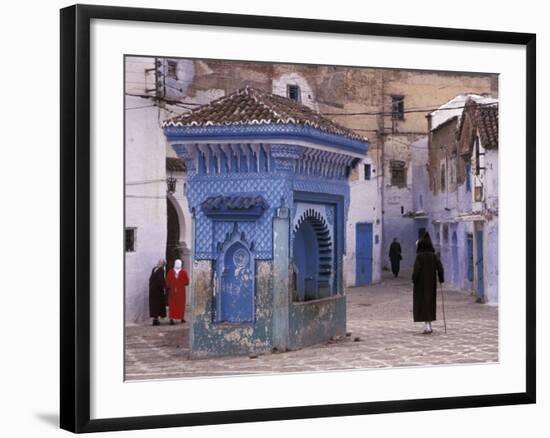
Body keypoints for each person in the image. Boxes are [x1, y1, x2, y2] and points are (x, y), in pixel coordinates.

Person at [412, 232, 444, 334]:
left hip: (421, 285)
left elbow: (416, 270)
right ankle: (428, 324)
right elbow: (440, 267)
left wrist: (414, 279)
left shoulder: (419, 257)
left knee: (422, 303)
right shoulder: (433, 256)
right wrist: (441, 279)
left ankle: (427, 325)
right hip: (431, 284)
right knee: (430, 302)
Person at [165, 259, 190, 325]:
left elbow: (167, 282)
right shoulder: (183, 272)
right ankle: (181, 318)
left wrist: (172, 285)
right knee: (179, 304)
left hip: (173, 291)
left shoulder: (171, 272)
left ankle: (172, 318)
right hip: (180, 291)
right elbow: (187, 282)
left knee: (173, 304)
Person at [148, 259, 166, 326]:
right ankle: (155, 319)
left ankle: (155, 319)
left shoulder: (157, 269)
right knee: (155, 304)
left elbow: (158, 279)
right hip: (155, 290)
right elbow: (158, 279)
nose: (159, 263)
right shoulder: (157, 269)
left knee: (155, 305)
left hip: (155, 290)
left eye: (160, 262)